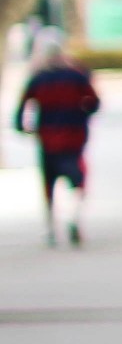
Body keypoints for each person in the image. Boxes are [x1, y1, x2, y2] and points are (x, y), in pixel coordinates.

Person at [15, 38, 100, 248]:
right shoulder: (77, 75)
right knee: (77, 178)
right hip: (74, 136)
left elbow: (22, 107)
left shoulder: (39, 78)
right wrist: (82, 114)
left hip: (47, 137)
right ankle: (75, 216)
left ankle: (51, 228)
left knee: (49, 182)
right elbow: (94, 102)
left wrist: (24, 127)